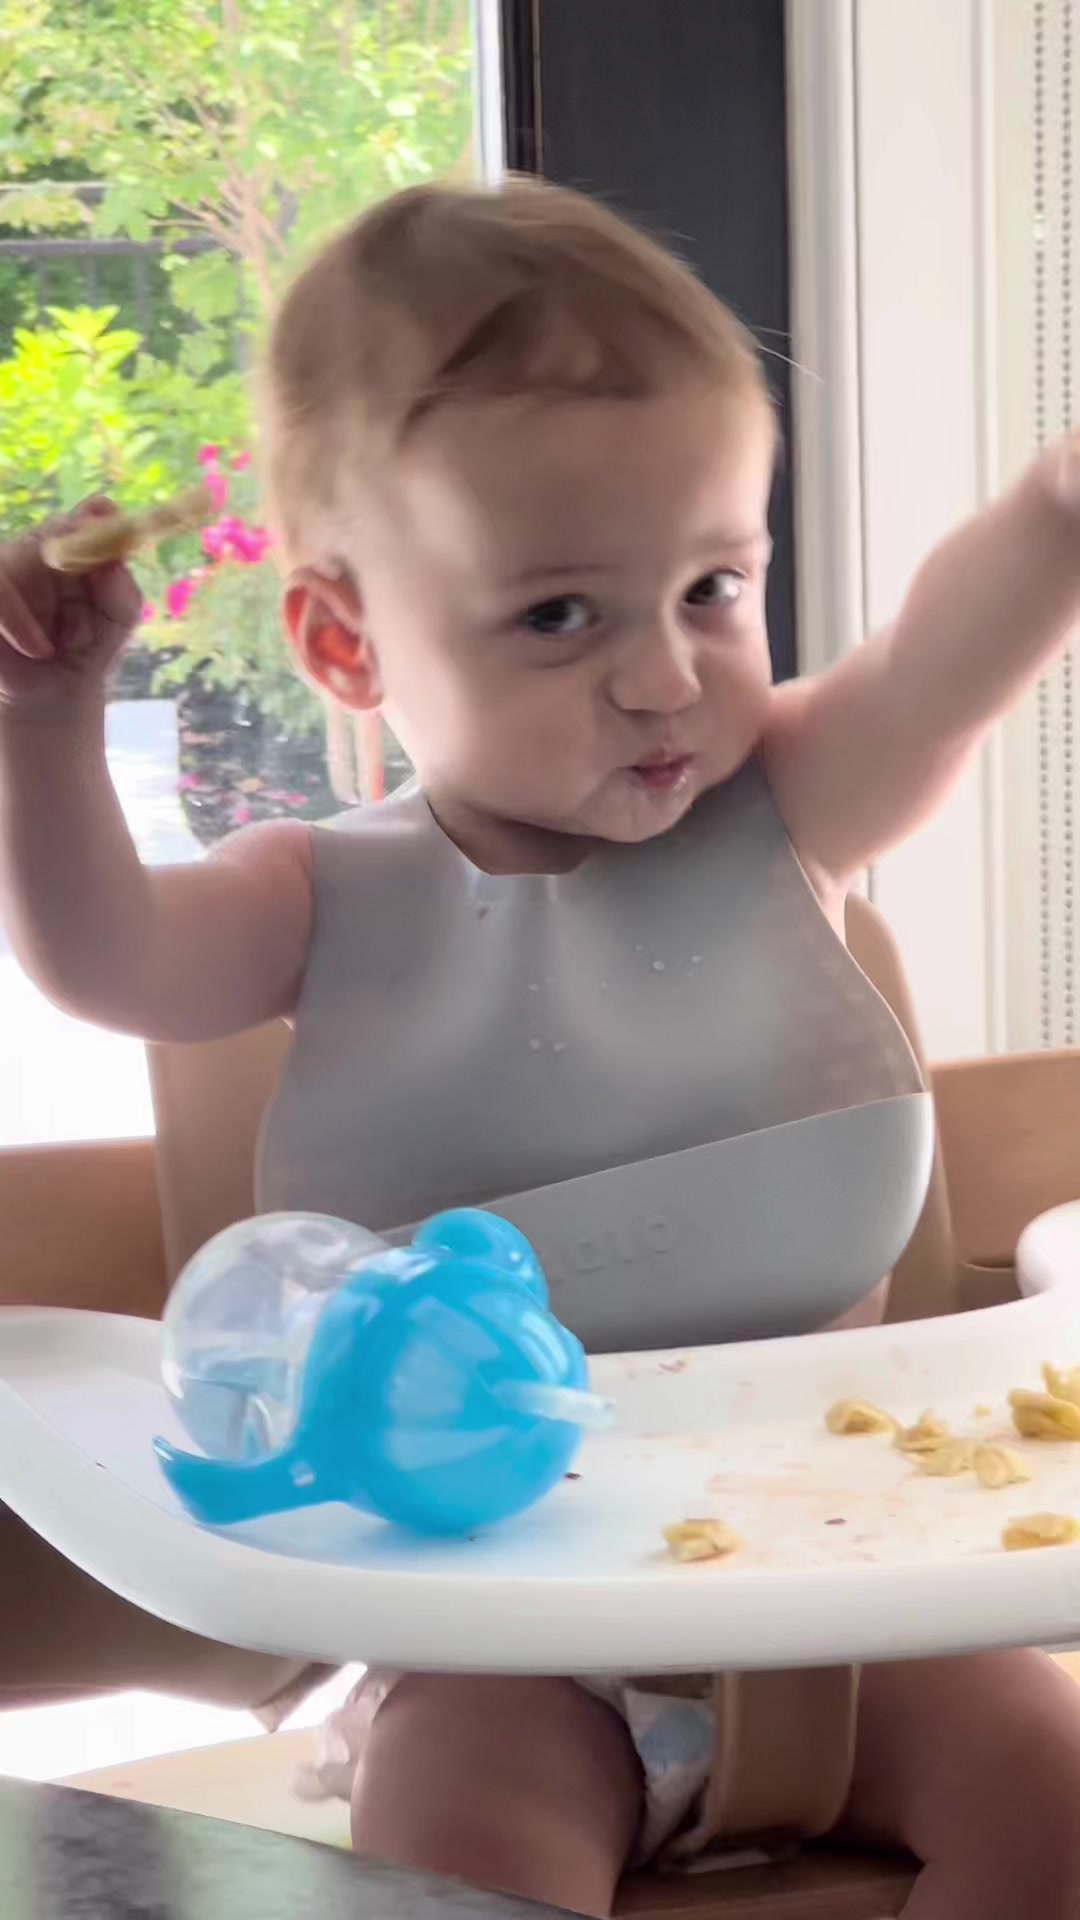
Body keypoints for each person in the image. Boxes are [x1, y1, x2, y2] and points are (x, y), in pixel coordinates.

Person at [3, 177, 1080, 1920]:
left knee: (1058, 1801)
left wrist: (1056, 505)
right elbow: (106, 960)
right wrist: (45, 729)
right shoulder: (316, 900)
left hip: (844, 1577)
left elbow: (940, 661)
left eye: (712, 588)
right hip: (509, 1642)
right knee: (460, 1868)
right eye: (562, 616)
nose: (665, 680)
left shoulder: (794, 813)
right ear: (347, 641)